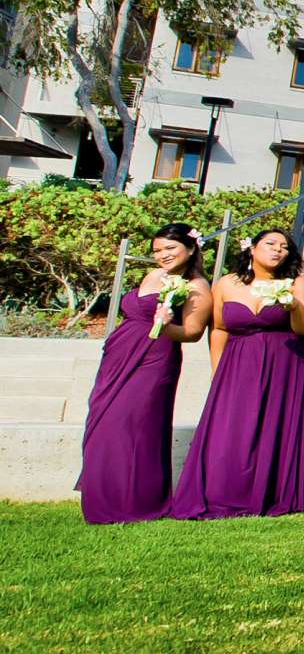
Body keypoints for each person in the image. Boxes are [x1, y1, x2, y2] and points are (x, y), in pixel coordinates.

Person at [168, 228, 304, 519]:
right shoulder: (227, 284)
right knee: (231, 430)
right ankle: (223, 493)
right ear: (252, 248)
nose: (278, 250)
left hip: (288, 364)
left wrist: (292, 307)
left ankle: (273, 494)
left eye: (284, 247)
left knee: (276, 427)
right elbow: (219, 328)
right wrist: (218, 370)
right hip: (238, 364)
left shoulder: (298, 284)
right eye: (270, 244)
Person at [79, 224, 212, 523]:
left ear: (190, 248)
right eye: (157, 251)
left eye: (169, 248)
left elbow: (192, 333)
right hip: (118, 356)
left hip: (154, 360)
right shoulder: (154, 275)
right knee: (102, 424)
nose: (162, 255)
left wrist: (165, 324)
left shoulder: (197, 285)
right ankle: (102, 497)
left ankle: (136, 503)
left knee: (134, 427)